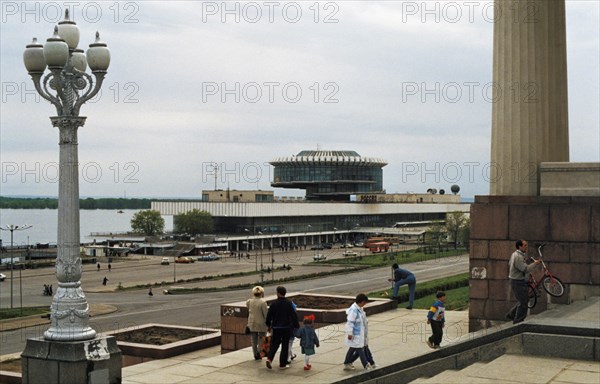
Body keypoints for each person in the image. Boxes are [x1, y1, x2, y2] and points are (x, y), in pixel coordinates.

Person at [265, 286, 299, 369]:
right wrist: (296, 325)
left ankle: (269, 359)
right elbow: (293, 315)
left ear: (278, 293)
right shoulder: (288, 303)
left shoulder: (274, 304)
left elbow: (269, 316)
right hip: (286, 328)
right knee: (285, 345)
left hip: (276, 328)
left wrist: (268, 325)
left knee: (274, 344)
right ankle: (282, 364)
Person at [506, 239, 540, 324]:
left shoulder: (518, 254)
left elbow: (513, 264)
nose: (526, 247)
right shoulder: (518, 257)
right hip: (517, 281)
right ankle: (518, 321)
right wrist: (535, 264)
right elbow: (525, 269)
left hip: (520, 280)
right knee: (523, 302)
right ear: (520, 246)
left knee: (524, 300)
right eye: (525, 245)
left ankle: (511, 314)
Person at [343, 293, 372, 371]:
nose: (365, 304)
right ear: (361, 302)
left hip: (360, 334)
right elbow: (350, 323)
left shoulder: (360, 309)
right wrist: (350, 333)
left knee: (353, 348)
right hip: (355, 334)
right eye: (364, 302)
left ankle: (347, 362)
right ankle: (366, 364)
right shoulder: (354, 310)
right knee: (359, 349)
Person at [246, 286, 268, 360]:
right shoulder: (263, 302)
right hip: (261, 323)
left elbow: (249, 309)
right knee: (261, 338)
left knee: (253, 339)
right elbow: (265, 314)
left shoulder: (249, 301)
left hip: (251, 322)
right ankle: (259, 352)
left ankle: (255, 354)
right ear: (261, 293)